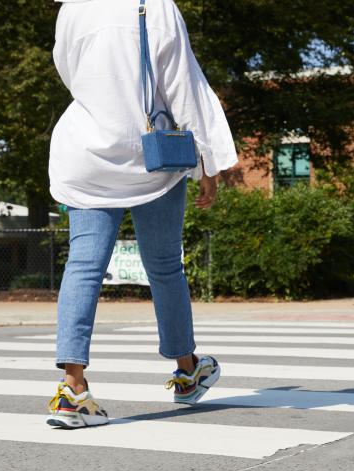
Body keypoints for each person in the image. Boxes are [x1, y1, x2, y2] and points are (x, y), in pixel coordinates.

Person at [47, 0, 238, 429]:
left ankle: (72, 389)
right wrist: (206, 160)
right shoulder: (155, 5)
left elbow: (68, 71)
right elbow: (181, 84)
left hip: (86, 154)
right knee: (166, 267)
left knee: (83, 266)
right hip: (151, 155)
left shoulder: (73, 7)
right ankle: (187, 373)